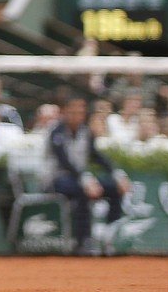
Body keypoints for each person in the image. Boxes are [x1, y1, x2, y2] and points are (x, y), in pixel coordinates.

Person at [46, 97, 128, 254]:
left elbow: (96, 156)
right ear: (65, 112)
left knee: (115, 188)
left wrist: (118, 175)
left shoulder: (86, 131)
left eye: (81, 111)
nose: (78, 115)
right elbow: (64, 162)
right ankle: (82, 241)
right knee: (82, 191)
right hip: (55, 180)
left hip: (81, 179)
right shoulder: (56, 132)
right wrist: (86, 180)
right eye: (74, 111)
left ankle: (109, 236)